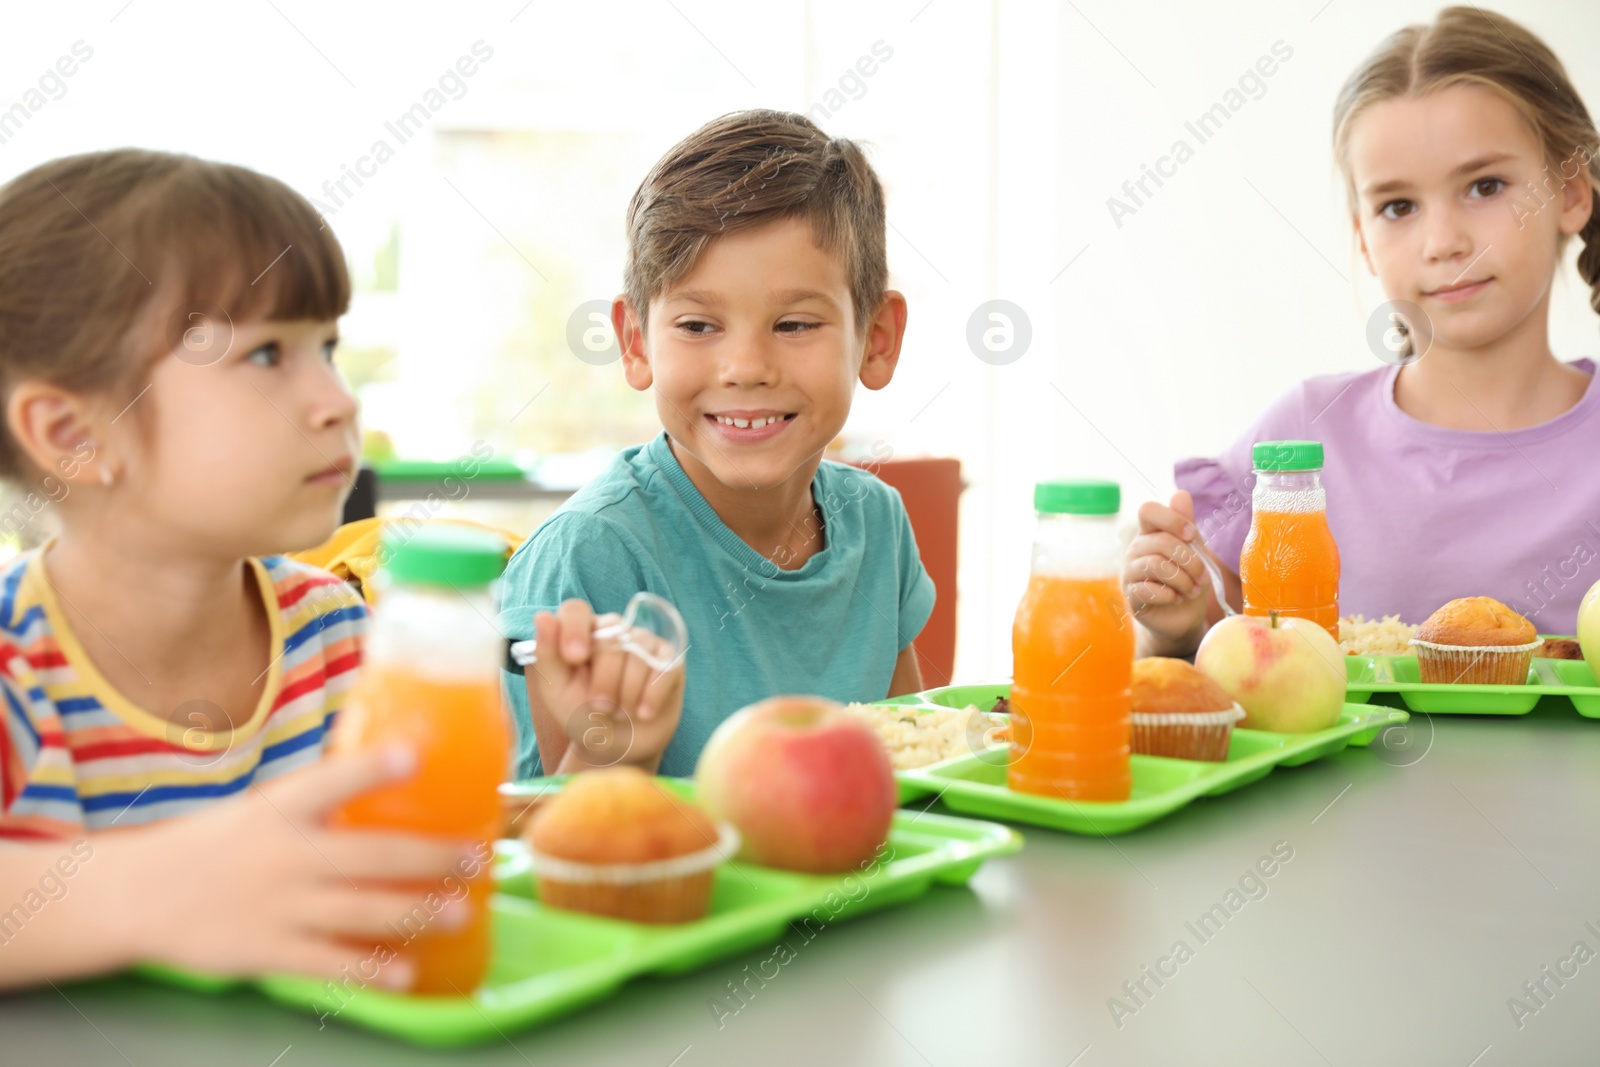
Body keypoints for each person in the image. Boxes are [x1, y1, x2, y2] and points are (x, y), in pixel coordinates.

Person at [0, 151, 472, 990]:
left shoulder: (334, 630)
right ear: (73, 435)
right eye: (265, 355)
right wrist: (155, 893)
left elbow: (408, 876)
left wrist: (581, 760)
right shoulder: (15, 668)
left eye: (326, 345)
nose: (340, 398)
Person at [1128, 6, 1600, 656]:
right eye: (1398, 207)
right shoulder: (1302, 439)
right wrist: (1177, 624)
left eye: (1485, 186)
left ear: (1571, 194)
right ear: (1365, 242)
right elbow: (1228, 676)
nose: (1443, 241)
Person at [501, 109, 934, 779]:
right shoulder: (586, 560)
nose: (746, 366)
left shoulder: (877, 523)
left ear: (876, 339)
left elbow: (915, 769)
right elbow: (535, 853)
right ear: (636, 342)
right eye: (699, 324)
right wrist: (616, 747)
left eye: (793, 323)